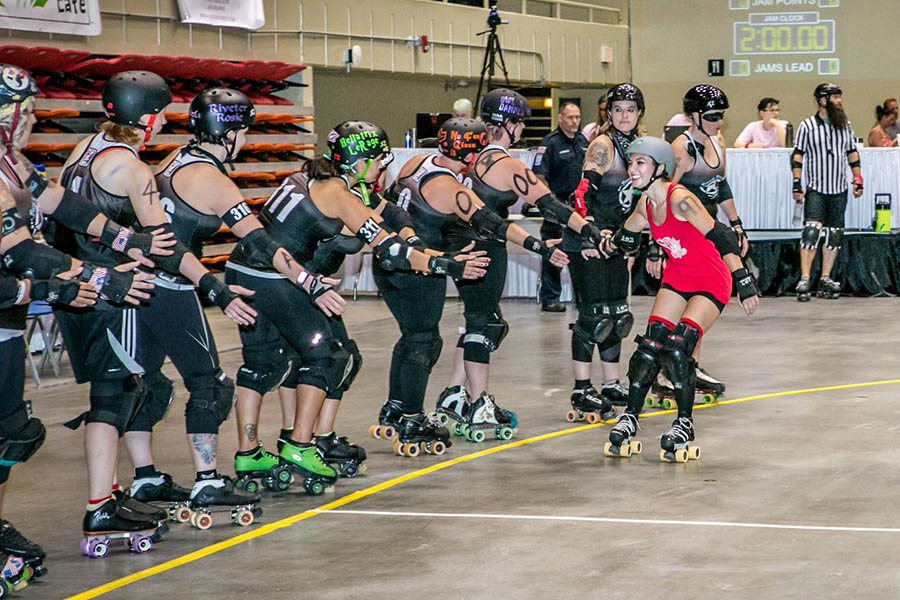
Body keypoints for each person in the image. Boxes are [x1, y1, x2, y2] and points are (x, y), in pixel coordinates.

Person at [54, 71, 258, 547]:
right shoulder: (134, 170)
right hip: (115, 293)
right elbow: (165, 246)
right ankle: (103, 506)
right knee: (117, 397)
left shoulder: (83, 150)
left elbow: (68, 220)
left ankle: (128, 486)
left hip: (77, 289)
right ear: (144, 117)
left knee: (130, 389)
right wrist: (213, 285)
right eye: (162, 111)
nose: (166, 119)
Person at [225, 120, 484, 491]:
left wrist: (416, 240)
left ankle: (254, 449)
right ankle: (301, 445)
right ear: (360, 161)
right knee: (331, 356)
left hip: (248, 268)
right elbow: (390, 252)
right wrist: (448, 264)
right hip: (279, 276)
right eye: (379, 161)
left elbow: (393, 216)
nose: (382, 170)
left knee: (267, 362)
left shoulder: (323, 179)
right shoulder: (341, 195)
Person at [126, 88, 331, 517]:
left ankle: (144, 477)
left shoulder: (171, 159)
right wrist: (308, 281)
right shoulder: (212, 179)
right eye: (244, 132)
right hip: (172, 286)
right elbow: (260, 243)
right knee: (209, 385)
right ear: (231, 132)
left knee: (147, 383)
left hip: (138, 283)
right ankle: (206, 482)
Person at [0, 65, 165, 557]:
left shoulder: (12, 162)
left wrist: (124, 238)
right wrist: (97, 276)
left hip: (8, 316)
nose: (31, 118)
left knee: (11, 436)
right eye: (23, 110)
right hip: (11, 295)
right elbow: (19, 250)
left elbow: (65, 206)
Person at [434, 89, 612, 432]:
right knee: (482, 325)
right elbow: (551, 207)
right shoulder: (506, 164)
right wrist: (589, 230)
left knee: (483, 322)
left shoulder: (470, 153)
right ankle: (480, 402)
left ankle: (455, 393)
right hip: (485, 245)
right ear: (510, 125)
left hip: (457, 241)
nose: (522, 131)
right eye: (520, 124)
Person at [388, 116, 567, 442]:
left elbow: (387, 206)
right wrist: (539, 247)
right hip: (421, 266)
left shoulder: (416, 161)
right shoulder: (450, 186)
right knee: (424, 341)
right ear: (470, 156)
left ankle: (399, 407)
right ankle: (415, 419)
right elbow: (494, 225)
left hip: (396, 259)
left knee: (415, 337)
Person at [601, 136, 758, 462]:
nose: (632, 169)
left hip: (711, 279)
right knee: (649, 348)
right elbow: (626, 236)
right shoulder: (645, 204)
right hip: (678, 278)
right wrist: (604, 242)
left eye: (640, 163)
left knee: (676, 348)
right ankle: (631, 416)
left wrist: (744, 281)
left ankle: (684, 423)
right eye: (630, 162)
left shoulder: (681, 200)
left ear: (660, 168)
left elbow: (722, 235)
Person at [566, 83, 647, 420]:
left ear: (639, 112)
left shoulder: (640, 146)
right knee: (593, 316)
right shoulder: (603, 144)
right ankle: (582, 389)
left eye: (630, 109)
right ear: (609, 113)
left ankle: (611, 383)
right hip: (590, 240)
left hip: (616, 244)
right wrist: (590, 235)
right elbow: (582, 193)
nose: (624, 116)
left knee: (617, 316)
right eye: (618, 110)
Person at [669, 84, 748, 397]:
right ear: (695, 116)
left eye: (721, 116)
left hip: (710, 229)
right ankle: (674, 367)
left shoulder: (718, 140)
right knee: (692, 298)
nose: (719, 121)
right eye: (713, 116)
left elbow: (720, 185)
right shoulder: (680, 149)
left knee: (701, 300)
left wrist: (737, 223)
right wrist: (658, 244)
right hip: (687, 234)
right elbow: (662, 195)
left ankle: (689, 362)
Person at [792, 83, 863, 301]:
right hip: (816, 187)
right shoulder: (807, 126)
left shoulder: (845, 125)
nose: (839, 101)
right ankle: (805, 277)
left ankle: (825, 277)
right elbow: (797, 154)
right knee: (811, 231)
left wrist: (857, 178)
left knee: (835, 233)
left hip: (839, 187)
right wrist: (797, 182)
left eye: (840, 96)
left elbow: (852, 152)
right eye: (835, 97)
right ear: (822, 100)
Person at [533, 100, 587, 312]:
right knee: (553, 253)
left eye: (577, 117)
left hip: (579, 209)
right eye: (570, 117)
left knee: (581, 254)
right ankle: (550, 298)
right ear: (560, 118)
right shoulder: (550, 143)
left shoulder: (583, 141)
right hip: (556, 208)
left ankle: (582, 297)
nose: (574, 121)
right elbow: (539, 176)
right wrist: (550, 204)